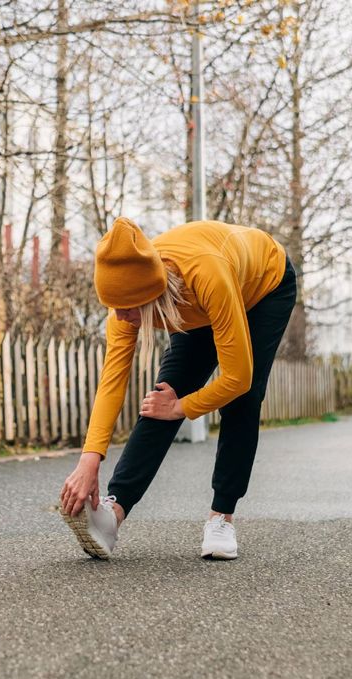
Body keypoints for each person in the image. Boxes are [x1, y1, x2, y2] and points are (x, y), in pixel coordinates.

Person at [58, 217, 297, 560]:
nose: (121, 318)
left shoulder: (207, 275)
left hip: (264, 286)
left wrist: (183, 408)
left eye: (128, 310)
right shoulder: (125, 303)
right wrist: (89, 459)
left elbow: (238, 377)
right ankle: (113, 515)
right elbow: (112, 381)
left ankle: (222, 517)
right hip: (190, 301)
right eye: (114, 308)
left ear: (150, 294)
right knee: (162, 395)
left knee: (242, 400)